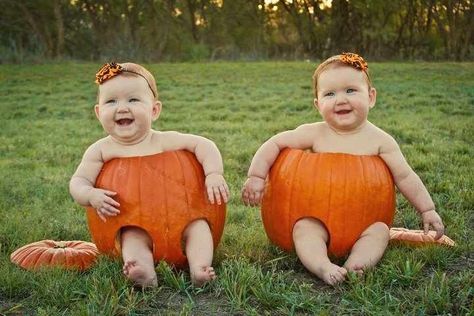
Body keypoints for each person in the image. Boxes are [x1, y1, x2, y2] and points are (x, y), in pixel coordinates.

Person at [241, 53, 445, 285]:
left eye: (350, 90)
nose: (341, 99)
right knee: (304, 229)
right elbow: (275, 143)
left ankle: (357, 264)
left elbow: (406, 176)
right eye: (330, 93)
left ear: (371, 97)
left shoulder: (381, 141)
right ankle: (322, 265)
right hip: (316, 215)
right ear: (318, 104)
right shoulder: (315, 133)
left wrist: (427, 210)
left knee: (379, 231)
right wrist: (256, 176)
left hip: (365, 220)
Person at [70, 62, 230, 287]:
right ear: (98, 112)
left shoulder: (164, 141)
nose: (122, 107)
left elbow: (203, 144)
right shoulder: (101, 150)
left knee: (199, 229)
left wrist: (213, 173)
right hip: (132, 220)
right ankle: (142, 269)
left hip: (183, 216)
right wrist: (90, 195)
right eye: (111, 101)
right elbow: (78, 182)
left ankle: (200, 267)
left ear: (154, 110)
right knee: (131, 238)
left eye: (133, 100)